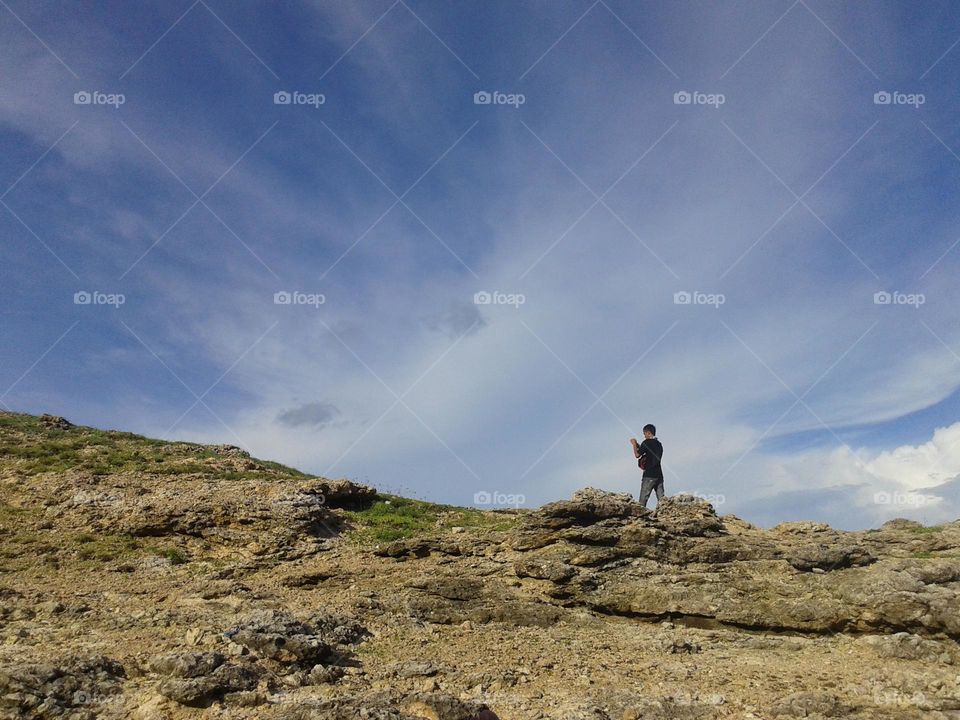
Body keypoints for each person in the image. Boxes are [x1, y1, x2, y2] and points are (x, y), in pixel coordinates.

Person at [631, 424, 664, 509]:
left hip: (649, 475)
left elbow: (637, 454)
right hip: (659, 475)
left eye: (644, 434)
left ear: (648, 433)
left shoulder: (646, 443)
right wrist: (639, 445)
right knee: (663, 502)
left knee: (642, 503)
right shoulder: (659, 444)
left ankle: (640, 520)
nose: (644, 436)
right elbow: (647, 450)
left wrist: (634, 444)